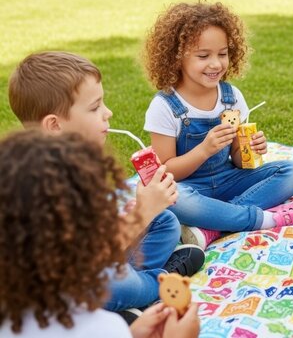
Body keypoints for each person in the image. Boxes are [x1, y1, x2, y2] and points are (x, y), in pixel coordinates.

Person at [7, 51, 205, 321]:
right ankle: (158, 284)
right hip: (66, 289)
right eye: (94, 107)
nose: (108, 112)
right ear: (54, 125)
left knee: (165, 221)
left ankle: (132, 301)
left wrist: (138, 215)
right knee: (113, 283)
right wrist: (140, 216)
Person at [142, 1, 293, 250]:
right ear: (176, 57)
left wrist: (249, 148)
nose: (216, 64)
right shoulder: (165, 106)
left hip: (229, 179)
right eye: (203, 56)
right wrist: (204, 149)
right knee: (176, 198)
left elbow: (239, 161)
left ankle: (212, 225)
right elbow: (166, 173)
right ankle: (261, 219)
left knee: (291, 171)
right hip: (190, 187)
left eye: (223, 53)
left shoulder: (231, 97)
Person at [0, 130, 200, 338]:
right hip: (107, 292)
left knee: (164, 221)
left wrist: (133, 333)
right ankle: (161, 281)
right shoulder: (101, 327)